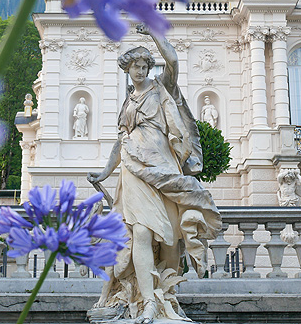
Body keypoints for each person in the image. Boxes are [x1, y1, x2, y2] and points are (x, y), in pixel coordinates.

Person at [87, 25, 221, 323]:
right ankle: (148, 301)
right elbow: (120, 143)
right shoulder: (128, 103)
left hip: (163, 169)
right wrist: (104, 172)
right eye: (136, 66)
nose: (140, 70)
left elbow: (172, 60)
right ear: (128, 69)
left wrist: (154, 33)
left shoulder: (161, 87)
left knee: (171, 237)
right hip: (133, 172)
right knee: (142, 232)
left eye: (145, 65)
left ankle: (166, 297)